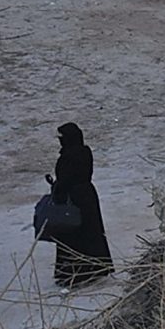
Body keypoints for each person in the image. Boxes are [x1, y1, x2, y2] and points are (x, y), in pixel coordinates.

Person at [48, 122, 114, 289]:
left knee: (72, 236)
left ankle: (74, 274)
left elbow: (64, 181)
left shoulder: (66, 157)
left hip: (72, 199)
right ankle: (96, 268)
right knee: (92, 232)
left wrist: (56, 188)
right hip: (88, 196)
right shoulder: (85, 151)